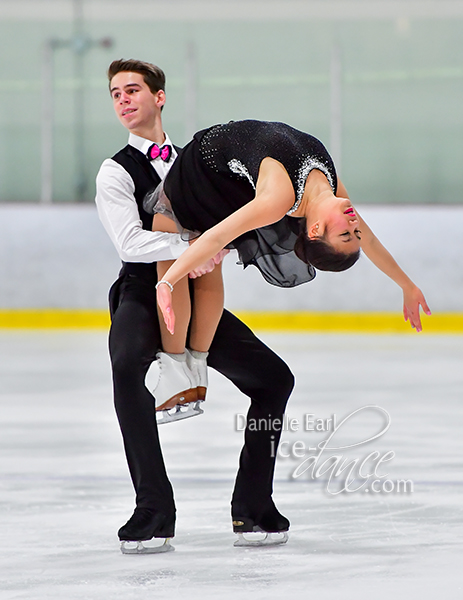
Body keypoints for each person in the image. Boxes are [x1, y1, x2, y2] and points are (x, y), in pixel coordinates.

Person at [95, 61, 294, 553]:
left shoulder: (199, 160)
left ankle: (253, 507)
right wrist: (194, 245)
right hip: (144, 290)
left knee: (274, 380)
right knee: (127, 369)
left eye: (133, 90)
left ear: (159, 97)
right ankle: (153, 508)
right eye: (115, 93)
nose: (123, 99)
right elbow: (129, 242)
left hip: (198, 293)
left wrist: (220, 245)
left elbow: (236, 219)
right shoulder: (115, 170)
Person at [149, 120, 430, 343]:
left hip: (201, 173)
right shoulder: (331, 187)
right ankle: (186, 359)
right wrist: (408, 286)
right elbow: (370, 240)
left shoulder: (278, 199)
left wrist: (168, 282)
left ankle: (188, 360)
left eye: (346, 234)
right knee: (208, 256)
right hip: (231, 172)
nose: (355, 226)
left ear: (316, 229)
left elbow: (218, 236)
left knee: (200, 247)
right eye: (355, 233)